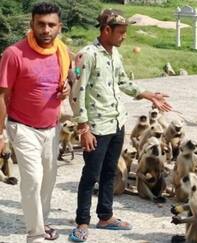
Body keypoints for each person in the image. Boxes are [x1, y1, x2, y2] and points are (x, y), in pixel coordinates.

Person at [69, 9, 172, 242]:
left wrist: (148, 94)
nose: (124, 37)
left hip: (116, 122)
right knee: (90, 175)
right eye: (121, 32)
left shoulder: (114, 54)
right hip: (96, 127)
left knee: (110, 171)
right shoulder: (87, 55)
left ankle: (105, 216)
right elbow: (77, 94)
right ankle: (81, 222)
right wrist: (83, 128)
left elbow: (123, 81)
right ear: (106, 30)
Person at [0, 2, 71, 242]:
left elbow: (69, 77)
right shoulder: (14, 54)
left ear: (59, 27)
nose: (46, 30)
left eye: (51, 25)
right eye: (40, 24)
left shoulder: (62, 52)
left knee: (48, 181)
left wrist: (67, 87)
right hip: (23, 128)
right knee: (33, 179)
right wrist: (0, 135)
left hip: (52, 129)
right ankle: (36, 234)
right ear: (32, 24)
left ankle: (42, 221)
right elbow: (2, 96)